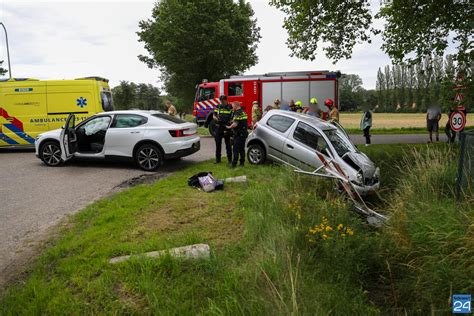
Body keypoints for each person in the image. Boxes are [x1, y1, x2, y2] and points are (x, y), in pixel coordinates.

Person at [227, 101, 248, 168]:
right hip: (244, 133)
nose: (232, 107)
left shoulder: (237, 113)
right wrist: (232, 121)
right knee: (242, 149)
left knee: (235, 149)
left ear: (236, 106)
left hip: (238, 134)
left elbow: (235, 124)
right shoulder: (243, 112)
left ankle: (234, 164)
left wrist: (229, 127)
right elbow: (241, 121)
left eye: (233, 106)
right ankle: (242, 163)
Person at [213, 95, 233, 164]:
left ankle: (230, 160)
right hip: (219, 127)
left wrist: (231, 121)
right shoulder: (218, 106)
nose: (222, 102)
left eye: (223, 101)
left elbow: (233, 115)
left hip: (227, 127)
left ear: (226, 100)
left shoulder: (230, 107)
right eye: (221, 101)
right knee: (218, 143)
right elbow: (214, 115)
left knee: (228, 144)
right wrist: (215, 118)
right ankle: (218, 160)